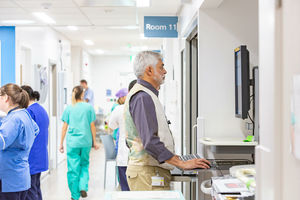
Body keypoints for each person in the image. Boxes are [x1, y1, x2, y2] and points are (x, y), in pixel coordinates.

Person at [124, 51, 211, 191]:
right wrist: (180, 163)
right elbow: (150, 141)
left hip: (150, 171)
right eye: (161, 67)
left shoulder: (147, 95)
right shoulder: (142, 97)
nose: (165, 71)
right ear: (149, 70)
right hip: (147, 174)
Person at [60, 85, 100, 200]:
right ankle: (83, 186)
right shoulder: (89, 108)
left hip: (72, 143)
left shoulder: (69, 108)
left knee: (73, 169)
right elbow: (92, 126)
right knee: (84, 165)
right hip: (86, 142)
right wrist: (94, 142)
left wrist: (61, 143)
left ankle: (74, 195)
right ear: (82, 94)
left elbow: (64, 127)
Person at [0, 84, 39, 200]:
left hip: (10, 180)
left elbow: (1, 140)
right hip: (20, 177)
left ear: (6, 98)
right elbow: (36, 130)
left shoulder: (14, 119)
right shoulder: (24, 114)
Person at [21, 85, 49, 200]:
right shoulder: (41, 109)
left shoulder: (29, 112)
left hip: (32, 158)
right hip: (40, 157)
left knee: (31, 191)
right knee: (36, 188)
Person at [108, 80, 137, 191]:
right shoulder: (147, 108)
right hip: (142, 159)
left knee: (125, 191)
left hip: (124, 157)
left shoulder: (119, 109)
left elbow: (112, 125)